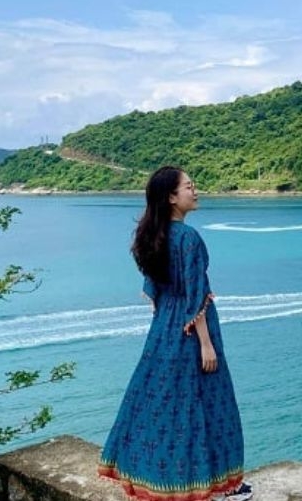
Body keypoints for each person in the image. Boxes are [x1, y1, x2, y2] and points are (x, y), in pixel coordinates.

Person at [98, 166, 252, 501]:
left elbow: (156, 291)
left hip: (163, 329)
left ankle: (157, 481)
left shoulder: (153, 236)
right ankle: (223, 487)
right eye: (189, 187)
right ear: (171, 197)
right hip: (192, 331)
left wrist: (168, 325)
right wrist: (206, 344)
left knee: (160, 406)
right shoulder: (188, 238)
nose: (195, 192)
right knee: (211, 405)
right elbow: (196, 295)